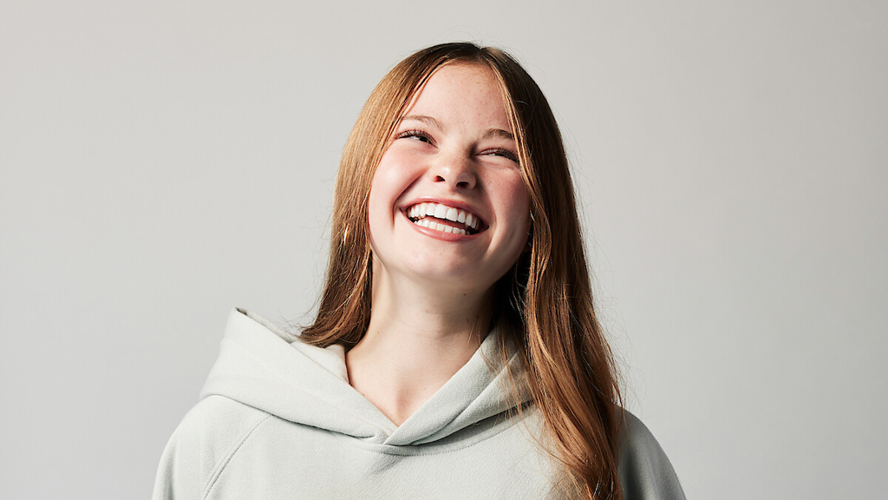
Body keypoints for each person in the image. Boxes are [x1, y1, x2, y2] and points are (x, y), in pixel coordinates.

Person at [152, 43, 686, 500]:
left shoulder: (606, 456)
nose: (454, 171)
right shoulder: (221, 442)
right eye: (419, 136)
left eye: (500, 151)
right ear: (362, 182)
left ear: (538, 217)